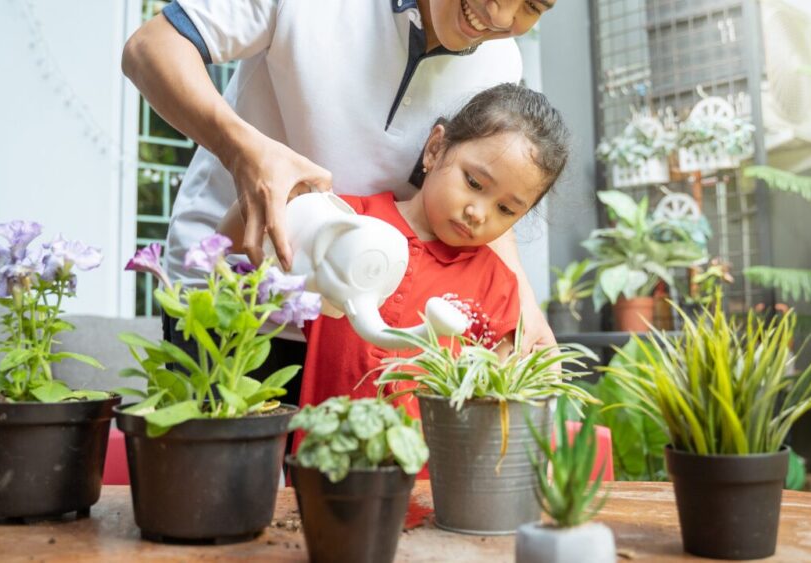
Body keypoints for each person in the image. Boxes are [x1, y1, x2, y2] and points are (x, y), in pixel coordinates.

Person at [121, 0, 561, 405]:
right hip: (229, 292)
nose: (502, 16)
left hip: (350, 322)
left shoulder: (502, 60)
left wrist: (525, 304)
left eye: (532, 6)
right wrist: (243, 150)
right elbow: (151, 47)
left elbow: (490, 188)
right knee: (213, 487)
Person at [219, 83, 570, 422]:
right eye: (474, 183)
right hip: (325, 461)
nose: (479, 213)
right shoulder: (348, 223)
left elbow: (495, 407)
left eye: (506, 210)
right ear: (435, 149)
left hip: (436, 477)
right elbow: (230, 241)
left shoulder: (498, 284)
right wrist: (273, 191)